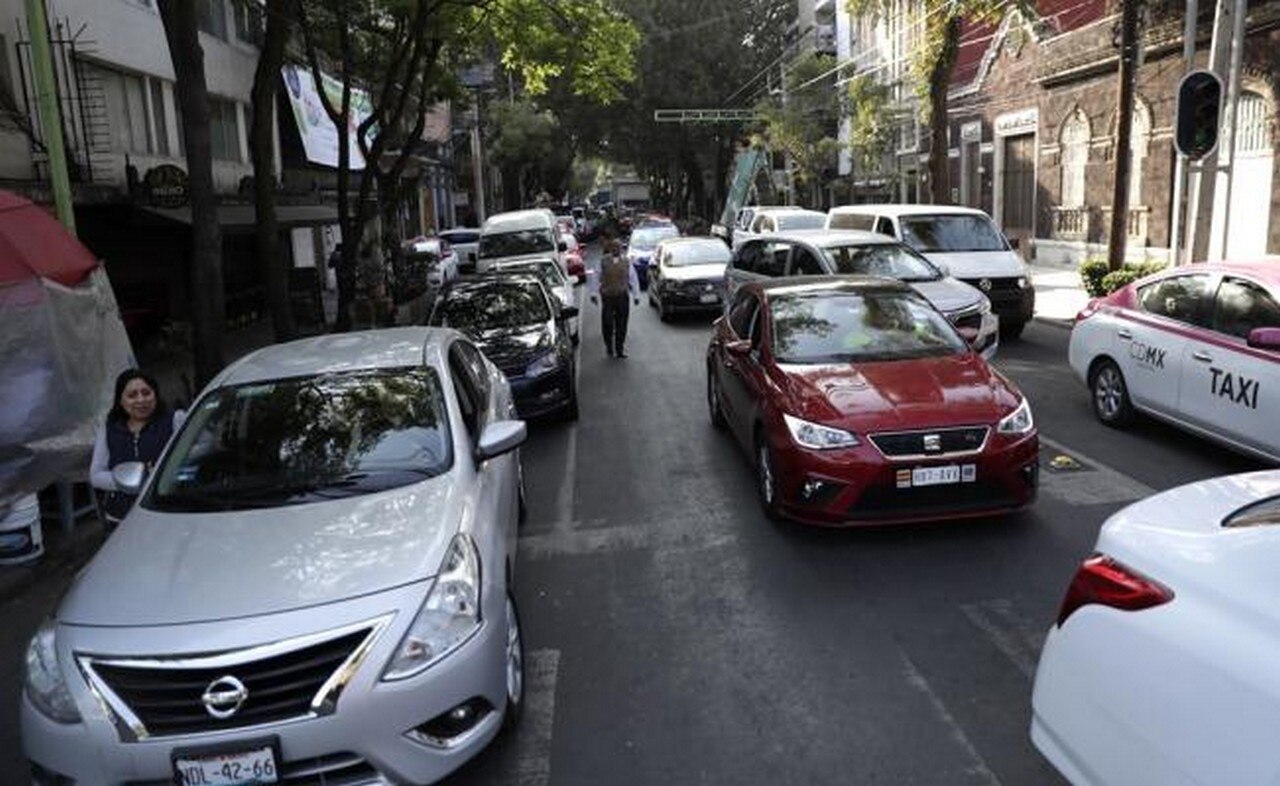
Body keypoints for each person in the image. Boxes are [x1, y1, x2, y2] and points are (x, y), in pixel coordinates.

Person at [90, 369, 186, 526]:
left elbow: (194, 456)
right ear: (120, 401)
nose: (141, 400)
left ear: (155, 394)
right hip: (120, 519)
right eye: (132, 395)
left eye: (146, 393)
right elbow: (96, 476)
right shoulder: (109, 428)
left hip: (165, 514)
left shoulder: (175, 420)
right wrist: (136, 479)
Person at [589, 237, 640, 358]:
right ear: (611, 248)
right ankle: (609, 346)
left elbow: (633, 278)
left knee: (622, 324)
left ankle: (619, 349)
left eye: (619, 247)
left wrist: (636, 295)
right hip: (608, 297)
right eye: (614, 247)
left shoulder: (627, 262)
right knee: (607, 323)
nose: (616, 249)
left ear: (622, 249)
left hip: (622, 296)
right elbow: (596, 277)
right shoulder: (603, 261)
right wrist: (593, 293)